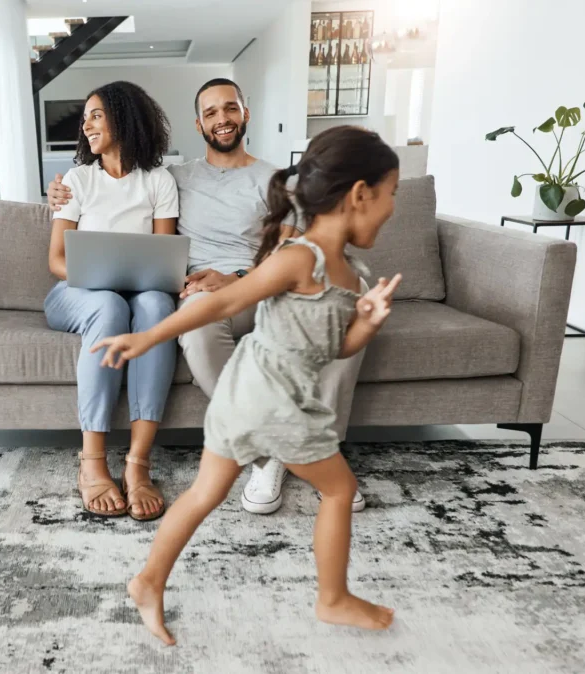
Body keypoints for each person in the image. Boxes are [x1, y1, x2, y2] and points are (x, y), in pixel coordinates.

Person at [93, 126, 402, 644]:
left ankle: (147, 582)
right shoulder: (300, 257)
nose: (393, 208)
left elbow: (335, 348)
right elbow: (221, 302)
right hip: (276, 403)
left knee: (203, 494)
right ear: (360, 194)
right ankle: (333, 599)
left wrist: (366, 322)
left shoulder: (351, 273)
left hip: (248, 396)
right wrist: (148, 336)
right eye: (392, 194)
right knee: (340, 490)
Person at [48, 78, 368, 515]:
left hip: (255, 285)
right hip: (193, 292)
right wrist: (57, 191)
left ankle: (306, 446)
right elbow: (115, 197)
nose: (222, 120)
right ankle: (271, 442)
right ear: (198, 123)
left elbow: (294, 249)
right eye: (211, 113)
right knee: (185, 320)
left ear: (245, 114)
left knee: (339, 310)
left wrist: (238, 276)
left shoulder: (276, 181)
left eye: (230, 109)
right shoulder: (174, 176)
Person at [44, 82, 180, 521]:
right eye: (85, 117)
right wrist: (101, 280)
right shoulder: (77, 181)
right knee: (109, 306)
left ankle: (138, 465)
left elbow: (163, 258)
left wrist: (138, 282)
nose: (86, 124)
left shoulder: (158, 181)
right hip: (76, 294)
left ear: (125, 117)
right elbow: (57, 260)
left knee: (158, 307)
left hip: (141, 293)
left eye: (96, 114)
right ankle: (92, 463)